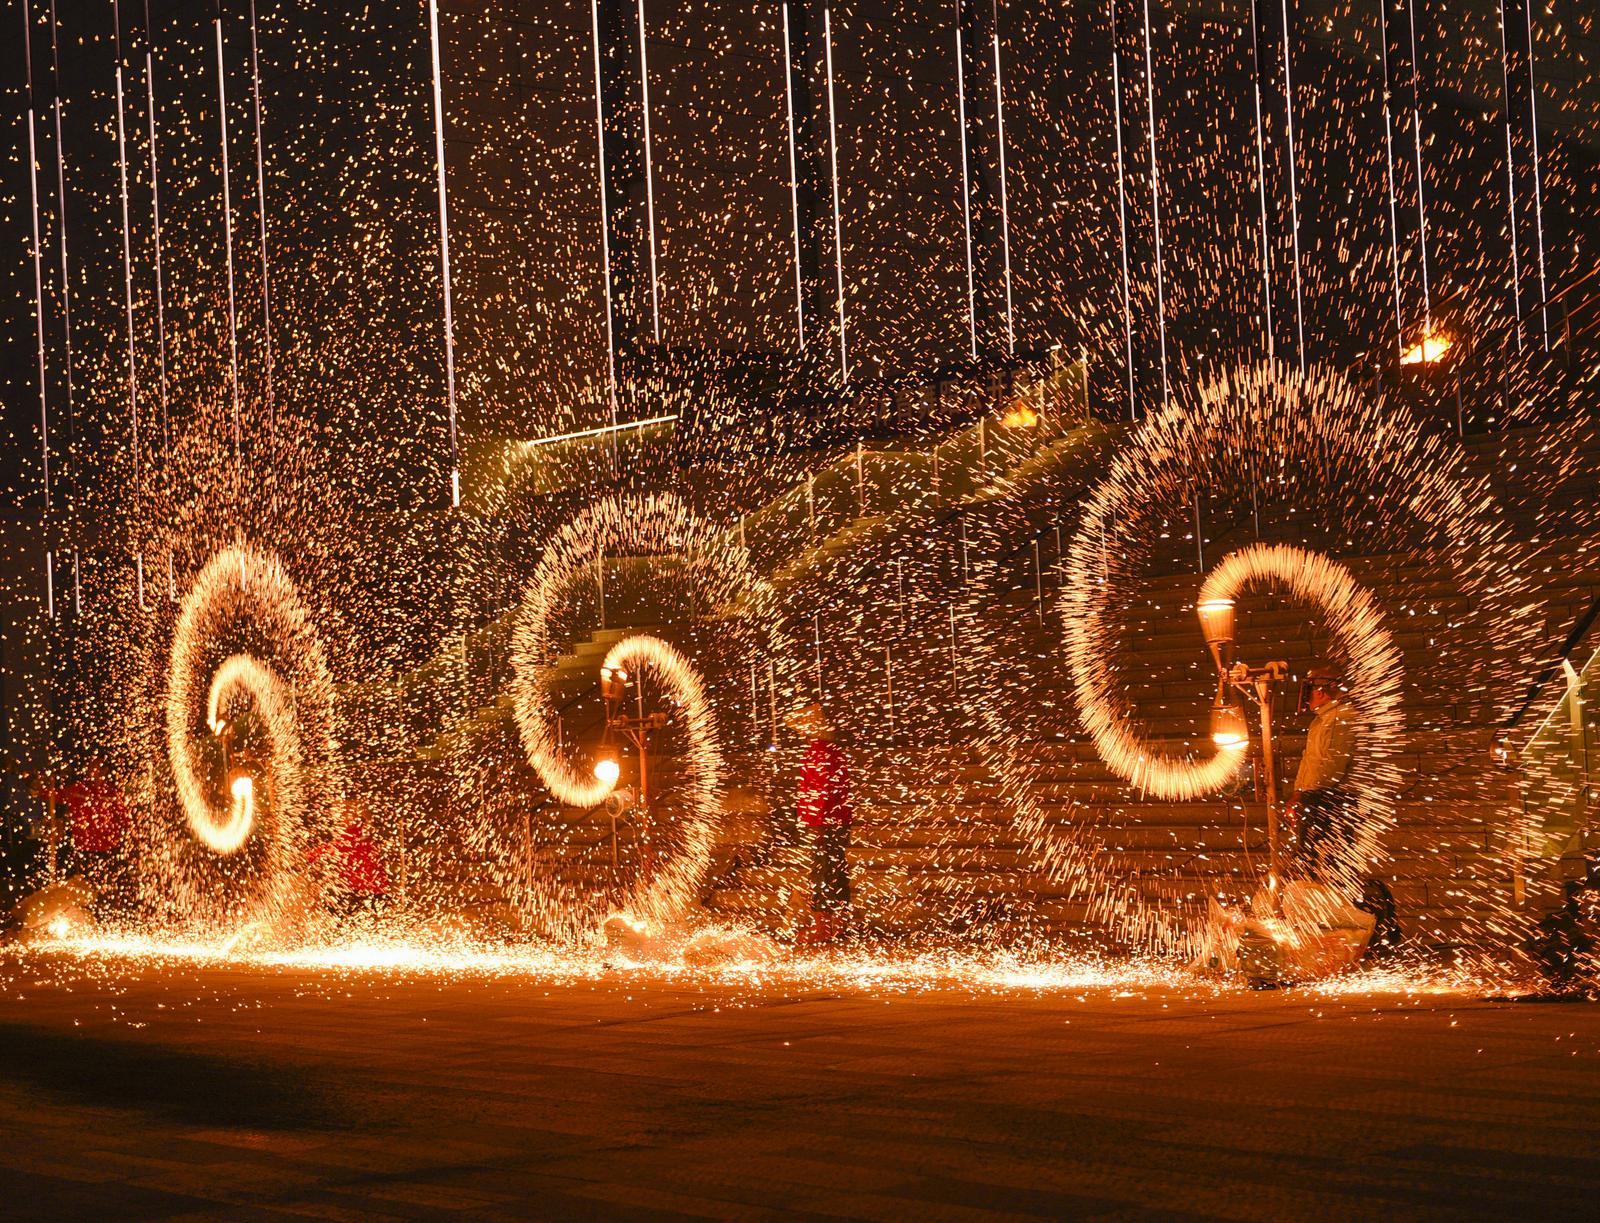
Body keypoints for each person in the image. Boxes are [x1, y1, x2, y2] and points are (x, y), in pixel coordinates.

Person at [791, 703, 852, 946]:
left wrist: (817, 823)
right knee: (836, 871)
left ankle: (823, 926)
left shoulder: (818, 751)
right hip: (837, 821)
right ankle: (839, 923)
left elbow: (820, 791)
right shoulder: (833, 750)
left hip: (825, 823)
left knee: (823, 873)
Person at [1289, 664, 1359, 874]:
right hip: (1318, 797)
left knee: (1328, 860)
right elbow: (1309, 760)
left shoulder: (1341, 718)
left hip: (1333, 799)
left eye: (1309, 690)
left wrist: (1307, 794)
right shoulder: (1321, 721)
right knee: (1308, 857)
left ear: (1320, 691)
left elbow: (1333, 767)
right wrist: (1298, 792)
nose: (1306, 696)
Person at [53, 761, 131, 916]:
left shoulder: (112, 792)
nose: (94, 771)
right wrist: (33, 783)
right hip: (85, 847)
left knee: (109, 883)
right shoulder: (78, 789)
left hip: (109, 846)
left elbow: (126, 816)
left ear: (105, 770)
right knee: (85, 886)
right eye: (91, 768)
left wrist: (131, 836)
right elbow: (54, 795)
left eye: (97, 768)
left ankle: (111, 914)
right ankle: (90, 914)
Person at [309, 807, 391, 921]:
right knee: (375, 925)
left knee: (343, 918)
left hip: (357, 892)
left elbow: (325, 850)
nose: (340, 818)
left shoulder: (347, 838)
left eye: (343, 815)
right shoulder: (368, 835)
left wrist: (301, 859)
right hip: (378, 892)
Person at [1355, 877, 1404, 961]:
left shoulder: (1388, 923)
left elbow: (1390, 904)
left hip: (1372, 902)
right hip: (1370, 906)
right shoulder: (1381, 928)